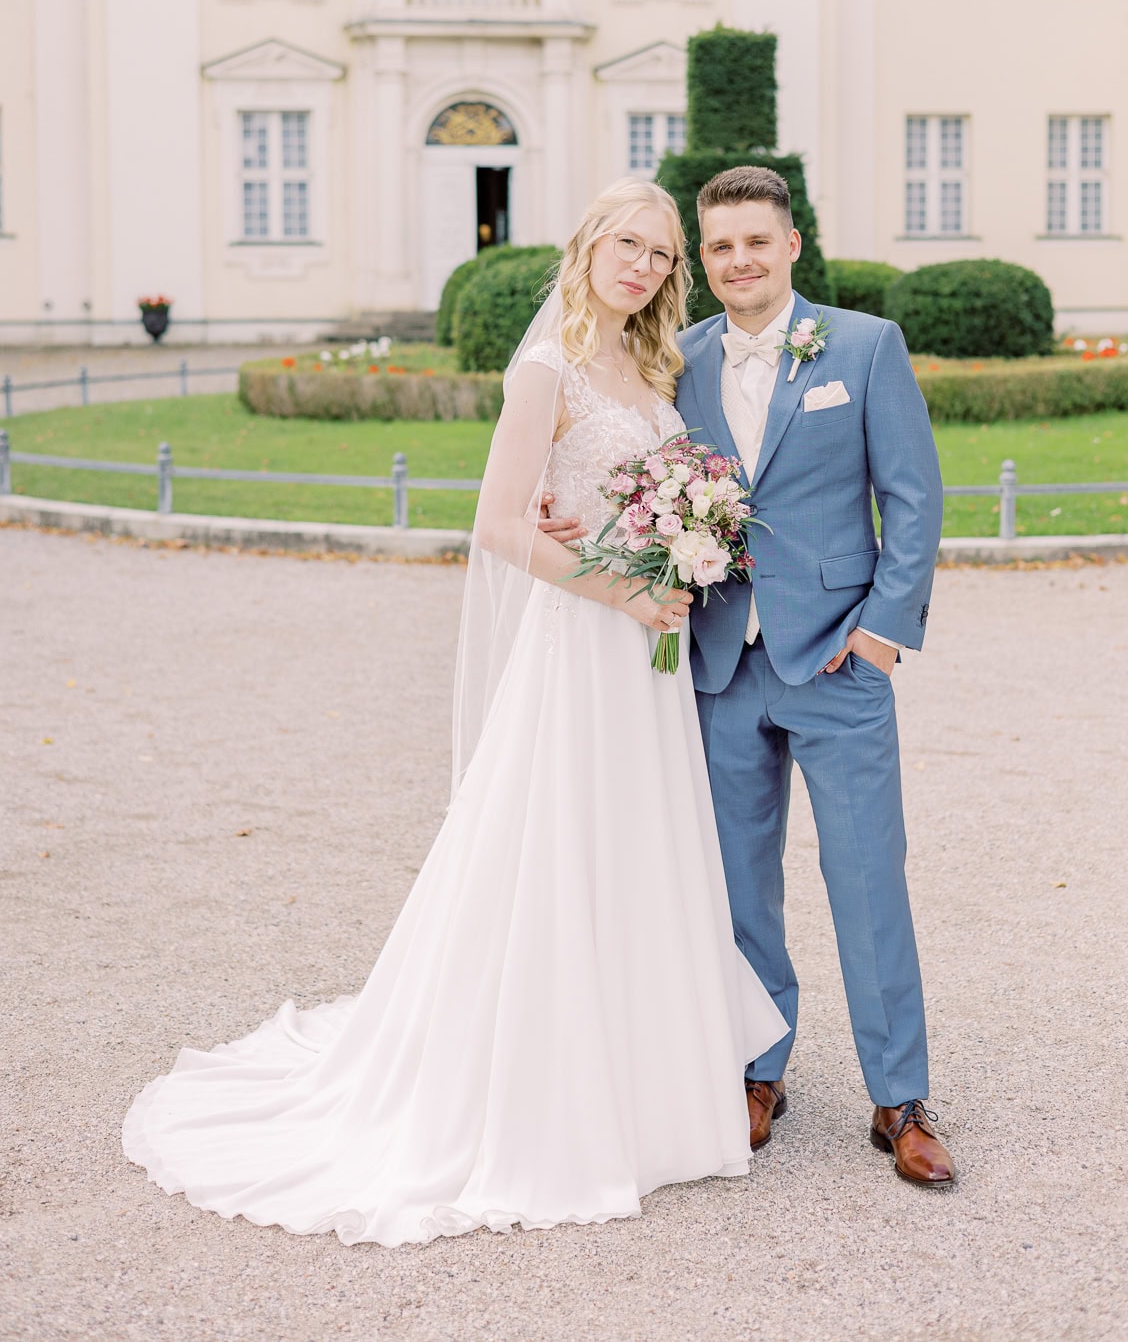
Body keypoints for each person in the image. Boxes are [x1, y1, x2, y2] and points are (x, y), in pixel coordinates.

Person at [122, 179, 786, 1249]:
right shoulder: (548, 369)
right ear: (588, 246)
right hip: (584, 646)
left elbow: (614, 503)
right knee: (559, 849)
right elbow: (494, 525)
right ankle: (551, 1083)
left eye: (664, 257)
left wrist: (674, 553)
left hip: (646, 654)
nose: (647, 267)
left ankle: (643, 1073)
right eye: (631, 244)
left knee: (638, 850)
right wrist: (624, 586)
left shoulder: (648, 367)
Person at [673, 165, 954, 1185]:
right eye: (720, 247)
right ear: (703, 263)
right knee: (736, 882)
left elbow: (912, 497)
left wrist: (883, 632)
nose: (739, 260)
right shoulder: (682, 359)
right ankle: (758, 1069)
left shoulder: (865, 346)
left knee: (867, 876)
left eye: (756, 241)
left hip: (838, 657)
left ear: (793, 244)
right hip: (720, 661)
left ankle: (900, 1099)